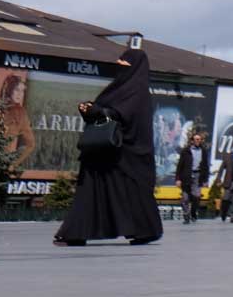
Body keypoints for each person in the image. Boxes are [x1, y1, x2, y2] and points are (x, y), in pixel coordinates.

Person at [53, 41, 163, 246]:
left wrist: (99, 111)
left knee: (132, 194)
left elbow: (123, 116)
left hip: (128, 155)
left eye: (124, 63)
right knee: (92, 189)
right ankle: (76, 232)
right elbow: (108, 112)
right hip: (106, 153)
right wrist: (90, 110)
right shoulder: (119, 90)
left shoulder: (137, 93)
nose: (118, 64)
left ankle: (145, 230)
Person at [175, 127, 211, 223]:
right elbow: (180, 166)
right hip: (186, 176)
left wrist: (206, 179)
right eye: (196, 139)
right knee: (185, 197)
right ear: (192, 141)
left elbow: (206, 166)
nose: (197, 141)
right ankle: (186, 216)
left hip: (198, 176)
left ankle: (193, 213)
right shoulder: (186, 151)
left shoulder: (203, 151)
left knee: (196, 197)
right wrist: (178, 179)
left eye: (199, 139)